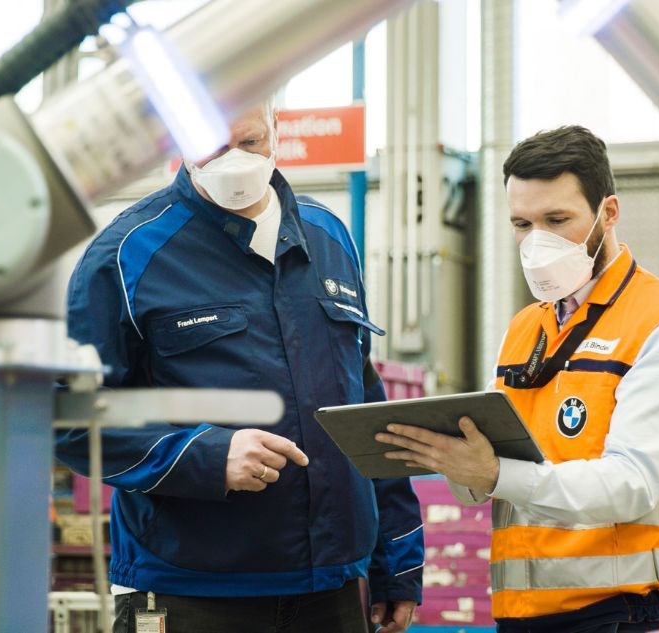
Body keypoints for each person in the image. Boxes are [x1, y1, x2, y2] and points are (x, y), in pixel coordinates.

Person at [55, 100, 423, 633]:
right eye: (213, 147)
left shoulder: (329, 238)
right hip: (190, 590)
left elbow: (364, 401)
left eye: (249, 144)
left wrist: (396, 560)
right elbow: (68, 418)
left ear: (276, 128)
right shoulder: (126, 255)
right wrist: (205, 456)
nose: (234, 161)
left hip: (335, 588)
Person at [375, 125, 659, 632]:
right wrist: (456, 464)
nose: (537, 241)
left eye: (557, 220)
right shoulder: (525, 328)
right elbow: (493, 481)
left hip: (619, 614)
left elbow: (631, 484)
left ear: (608, 213)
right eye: (522, 223)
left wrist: (494, 474)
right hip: (521, 615)